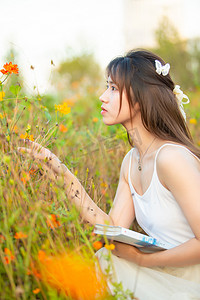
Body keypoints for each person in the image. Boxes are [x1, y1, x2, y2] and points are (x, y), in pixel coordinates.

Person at [18, 50, 200, 300]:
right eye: (107, 87)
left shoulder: (171, 158)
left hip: (190, 280)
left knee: (108, 263)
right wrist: (63, 174)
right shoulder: (131, 161)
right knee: (106, 258)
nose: (103, 97)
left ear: (139, 98)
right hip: (166, 272)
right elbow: (113, 228)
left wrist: (141, 260)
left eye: (113, 88)